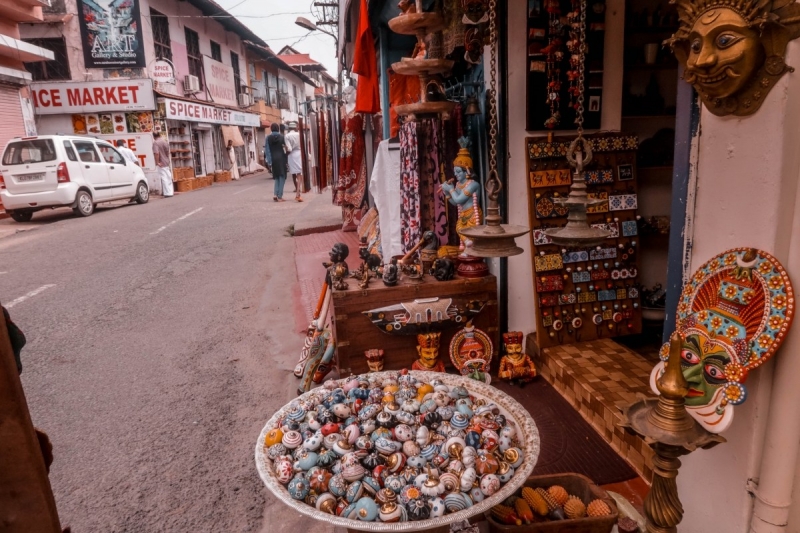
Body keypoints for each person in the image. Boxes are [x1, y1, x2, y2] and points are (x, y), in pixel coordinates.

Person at [265, 123, 288, 202]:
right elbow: (285, 149)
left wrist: (269, 162)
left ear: (271, 129)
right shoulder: (282, 137)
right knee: (282, 177)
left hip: (273, 159)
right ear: (278, 129)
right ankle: (280, 196)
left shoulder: (268, 138)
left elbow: (267, 151)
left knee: (277, 177)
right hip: (281, 158)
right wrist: (286, 159)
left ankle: (275, 194)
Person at [285, 121, 303, 202]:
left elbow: (289, 149)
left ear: (289, 128)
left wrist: (285, 153)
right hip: (299, 154)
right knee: (299, 174)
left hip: (291, 156)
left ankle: (296, 189)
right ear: (296, 128)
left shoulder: (287, 136)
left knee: (293, 173)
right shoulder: (300, 135)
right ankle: (298, 193)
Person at [152, 132, 174, 198]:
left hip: (161, 162)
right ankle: (170, 191)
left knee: (164, 177)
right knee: (168, 177)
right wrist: (166, 158)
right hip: (166, 161)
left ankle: (167, 193)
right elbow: (167, 152)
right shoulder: (165, 141)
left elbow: (156, 153)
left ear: (154, 136)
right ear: (159, 135)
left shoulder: (155, 143)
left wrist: (157, 162)